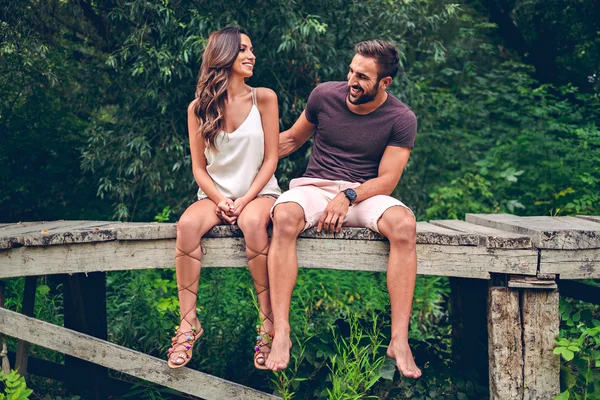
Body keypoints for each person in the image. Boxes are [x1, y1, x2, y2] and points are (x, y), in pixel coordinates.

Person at [265, 39, 422, 378]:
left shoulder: (401, 118)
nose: (352, 81)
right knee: (284, 216)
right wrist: (233, 156)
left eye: (363, 77)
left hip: (363, 193)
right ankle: (282, 332)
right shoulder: (324, 96)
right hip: (316, 188)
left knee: (404, 226)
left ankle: (399, 340)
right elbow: (291, 140)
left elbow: (388, 179)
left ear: (385, 83)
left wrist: (349, 195)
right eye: (351, 71)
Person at [167, 25, 280, 370]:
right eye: (243, 49)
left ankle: (268, 322)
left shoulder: (265, 97)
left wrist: (244, 200)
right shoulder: (197, 108)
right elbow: (199, 169)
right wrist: (219, 200)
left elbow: (272, 158)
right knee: (186, 225)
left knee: (252, 225)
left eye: (252, 49)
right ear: (224, 55)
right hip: (215, 195)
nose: (251, 56)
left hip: (260, 192)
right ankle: (189, 322)